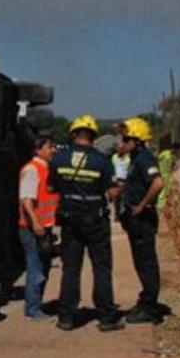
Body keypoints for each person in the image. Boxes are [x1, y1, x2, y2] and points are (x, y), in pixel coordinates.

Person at [49, 114, 124, 332]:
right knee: (101, 268)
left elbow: (52, 188)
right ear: (93, 136)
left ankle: (66, 317)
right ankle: (107, 318)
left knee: (71, 269)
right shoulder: (101, 160)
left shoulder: (59, 158)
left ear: (73, 134)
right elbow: (111, 192)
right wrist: (122, 187)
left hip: (69, 219)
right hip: (95, 220)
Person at [118, 117, 166, 324]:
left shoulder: (144, 158)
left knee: (146, 263)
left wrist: (142, 205)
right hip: (136, 219)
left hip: (143, 219)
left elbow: (158, 183)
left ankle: (149, 306)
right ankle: (146, 300)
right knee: (141, 262)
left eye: (127, 139)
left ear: (137, 141)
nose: (123, 142)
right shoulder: (136, 158)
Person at [18, 135, 60, 321]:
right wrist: (35, 222)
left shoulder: (46, 169)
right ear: (38, 149)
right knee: (35, 267)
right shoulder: (32, 169)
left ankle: (36, 305)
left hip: (44, 227)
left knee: (43, 266)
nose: (53, 150)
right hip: (33, 228)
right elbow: (26, 199)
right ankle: (33, 308)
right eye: (50, 147)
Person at [155, 134, 180, 210]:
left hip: (160, 173)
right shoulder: (169, 155)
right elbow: (173, 166)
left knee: (162, 190)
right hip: (166, 175)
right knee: (165, 191)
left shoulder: (163, 153)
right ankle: (160, 207)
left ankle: (160, 205)